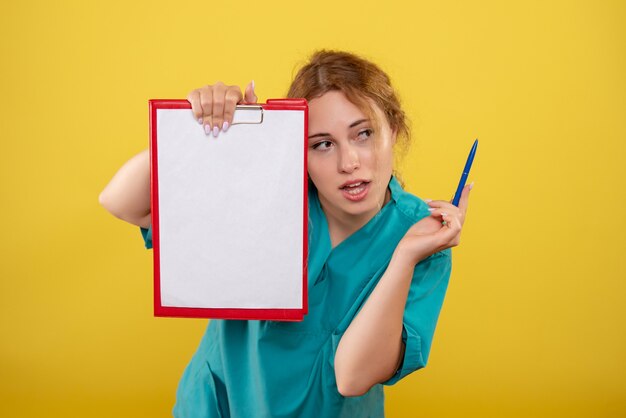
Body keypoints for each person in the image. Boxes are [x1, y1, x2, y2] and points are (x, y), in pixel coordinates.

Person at [100, 50, 472, 418]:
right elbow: (120, 201)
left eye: (363, 134)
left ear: (393, 130)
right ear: (298, 150)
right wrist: (207, 135)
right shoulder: (266, 193)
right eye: (322, 144)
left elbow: (352, 377)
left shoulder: (423, 240)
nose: (349, 163)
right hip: (218, 406)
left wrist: (404, 258)